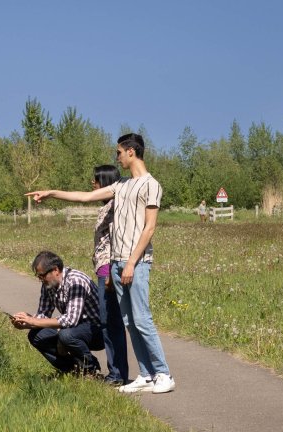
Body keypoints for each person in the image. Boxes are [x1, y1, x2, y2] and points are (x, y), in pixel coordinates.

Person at [25, 133, 175, 394]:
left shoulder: (151, 185)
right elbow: (84, 197)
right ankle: (146, 375)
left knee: (142, 318)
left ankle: (163, 373)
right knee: (128, 321)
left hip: (134, 262)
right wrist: (51, 193)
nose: (116, 157)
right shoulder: (122, 185)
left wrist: (130, 264)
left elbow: (149, 229)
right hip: (116, 264)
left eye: (118, 152)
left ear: (130, 151)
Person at [10, 251, 104, 375]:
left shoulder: (76, 281)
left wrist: (34, 321)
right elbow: (42, 315)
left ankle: (91, 370)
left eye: (42, 275)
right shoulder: (48, 285)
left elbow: (71, 320)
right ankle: (73, 369)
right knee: (36, 335)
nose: (40, 280)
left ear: (55, 270)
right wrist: (26, 323)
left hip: (100, 331)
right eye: (38, 276)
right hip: (76, 329)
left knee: (66, 335)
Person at [91, 165, 128, 385]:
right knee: (109, 322)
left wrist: (111, 274)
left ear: (105, 182)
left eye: (96, 180)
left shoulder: (114, 206)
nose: (93, 184)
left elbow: (116, 239)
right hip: (104, 269)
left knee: (111, 322)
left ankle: (117, 375)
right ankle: (116, 372)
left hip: (108, 271)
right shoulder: (108, 206)